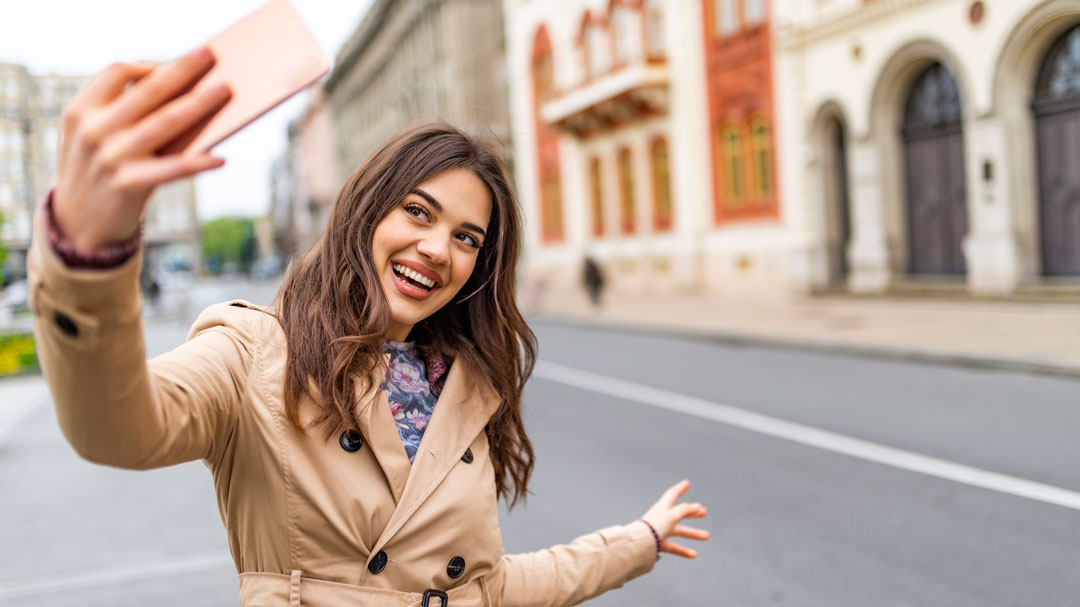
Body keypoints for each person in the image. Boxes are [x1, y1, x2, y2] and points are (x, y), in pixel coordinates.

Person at [28, 47, 709, 606]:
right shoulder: (256, 351)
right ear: (366, 212)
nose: (440, 249)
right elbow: (114, 428)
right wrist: (88, 259)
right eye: (418, 211)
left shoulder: (465, 384)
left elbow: (485, 586)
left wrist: (637, 542)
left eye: (468, 237)